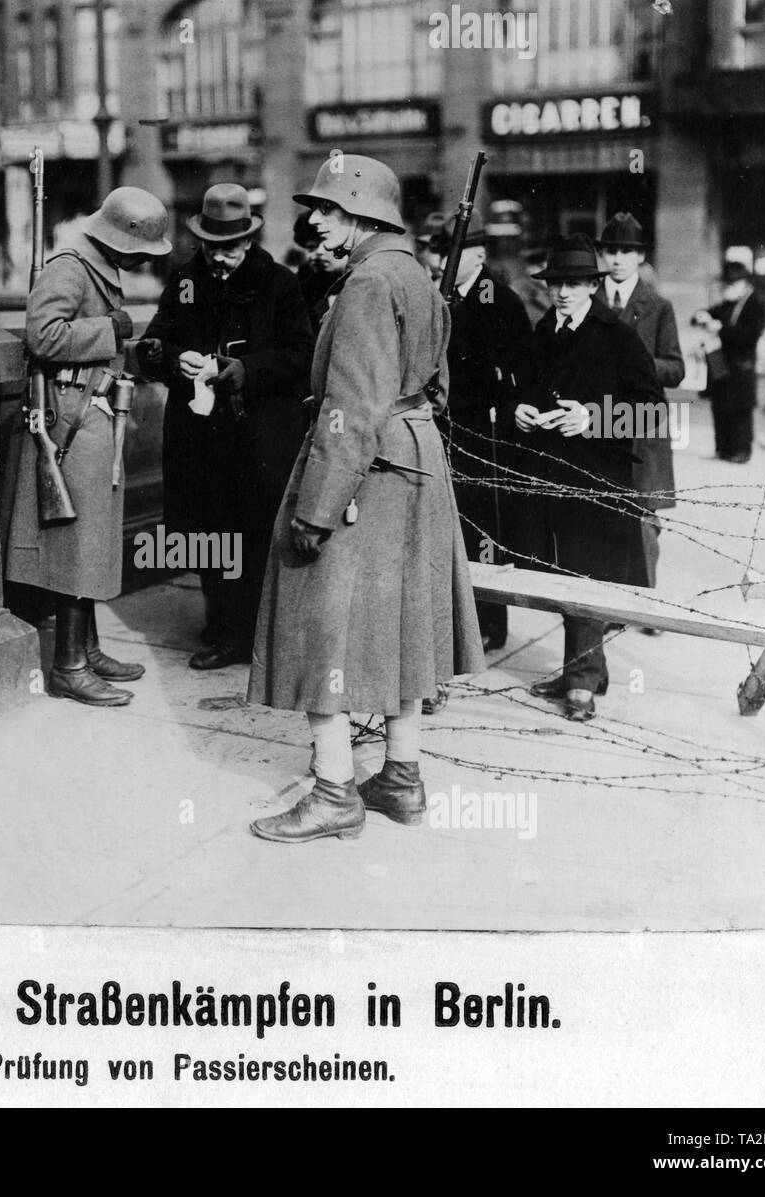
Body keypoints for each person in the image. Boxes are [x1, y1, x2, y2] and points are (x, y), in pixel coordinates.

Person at [246, 154, 483, 843]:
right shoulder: (415, 277)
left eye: (324, 209)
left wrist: (316, 508)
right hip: (414, 464)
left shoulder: (368, 285)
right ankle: (400, 778)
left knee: (320, 626)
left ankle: (332, 792)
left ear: (362, 214)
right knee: (402, 626)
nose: (312, 221)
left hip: (366, 464)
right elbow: (436, 389)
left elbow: (348, 407)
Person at [3, 186, 171, 705]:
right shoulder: (70, 269)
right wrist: (111, 328)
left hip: (93, 413)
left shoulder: (94, 269)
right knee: (78, 542)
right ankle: (68, 665)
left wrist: (134, 348)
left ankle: (87, 646)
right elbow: (43, 336)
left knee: (92, 537)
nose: (143, 259)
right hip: (72, 421)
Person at [137, 185, 313, 669]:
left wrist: (246, 371)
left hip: (258, 436)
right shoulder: (186, 280)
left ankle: (257, 631)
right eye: (211, 247)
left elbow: (301, 354)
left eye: (229, 248)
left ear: (249, 241)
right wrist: (168, 357)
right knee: (209, 531)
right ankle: (224, 629)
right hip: (200, 435)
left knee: (256, 533)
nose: (219, 257)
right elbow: (158, 338)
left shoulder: (279, 283)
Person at [515, 234, 662, 721]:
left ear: (592, 286)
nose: (563, 292)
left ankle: (580, 685)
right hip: (551, 475)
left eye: (575, 283)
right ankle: (582, 668)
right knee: (564, 574)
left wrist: (593, 419)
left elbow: (653, 411)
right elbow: (532, 388)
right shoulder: (542, 331)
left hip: (598, 479)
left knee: (588, 573)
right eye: (557, 283)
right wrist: (523, 411)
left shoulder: (616, 334)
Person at [432, 210, 533, 653]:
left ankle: (489, 621)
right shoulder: (447, 296)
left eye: (449, 252)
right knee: (455, 521)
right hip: (450, 423)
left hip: (484, 428)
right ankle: (464, 616)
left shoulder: (497, 298)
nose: (440, 261)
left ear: (476, 254)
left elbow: (516, 369)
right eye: (438, 252)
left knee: (483, 523)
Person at [597, 213, 686, 617]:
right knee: (602, 511)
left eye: (626, 252)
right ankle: (608, 606)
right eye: (610, 250)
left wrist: (635, 363)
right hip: (597, 419)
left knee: (645, 516)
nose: (617, 259)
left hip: (643, 421)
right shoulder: (588, 297)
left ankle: (645, 603)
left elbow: (676, 367)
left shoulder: (657, 305)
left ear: (640, 256)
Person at [694, 260, 765, 464]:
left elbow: (749, 336)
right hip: (723, 363)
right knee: (721, 405)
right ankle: (723, 448)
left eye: (732, 284)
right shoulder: (730, 302)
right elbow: (712, 313)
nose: (728, 288)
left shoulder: (754, 304)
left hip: (741, 364)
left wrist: (720, 329)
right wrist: (703, 316)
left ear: (744, 284)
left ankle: (741, 450)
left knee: (740, 409)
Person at [293, 210, 347, 331]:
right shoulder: (299, 288)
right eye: (310, 248)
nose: (317, 254)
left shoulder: (357, 279)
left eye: (324, 245)